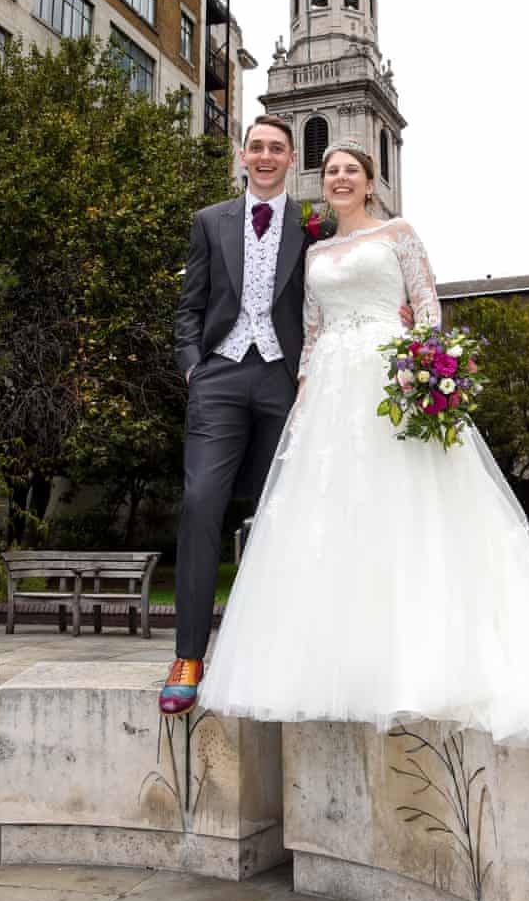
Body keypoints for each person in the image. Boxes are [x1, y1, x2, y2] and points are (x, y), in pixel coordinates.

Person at [199, 139, 529, 864]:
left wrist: (427, 375)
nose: (342, 179)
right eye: (331, 173)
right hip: (330, 400)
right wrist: (302, 398)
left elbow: (426, 307)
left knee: (415, 517)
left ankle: (422, 657)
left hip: (392, 381)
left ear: (372, 180)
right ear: (320, 185)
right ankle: (346, 660)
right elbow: (314, 333)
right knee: (335, 529)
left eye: (352, 170)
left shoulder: (399, 235)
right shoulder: (316, 253)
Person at [161, 117, 410, 715]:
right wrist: (194, 366)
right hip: (219, 377)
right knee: (201, 505)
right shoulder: (209, 221)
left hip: (288, 380)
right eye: (258, 148)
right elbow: (189, 305)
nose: (267, 156)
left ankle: (294, 653)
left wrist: (394, 320)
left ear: (292, 156)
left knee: (296, 509)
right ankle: (188, 655)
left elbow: (347, 275)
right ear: (243, 155)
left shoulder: (315, 223)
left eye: (278, 148)